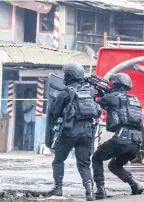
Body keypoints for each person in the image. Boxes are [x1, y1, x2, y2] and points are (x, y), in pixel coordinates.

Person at [48, 63, 101, 201]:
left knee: (58, 160)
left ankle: (58, 188)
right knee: (84, 164)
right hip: (87, 133)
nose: (64, 77)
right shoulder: (90, 92)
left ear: (69, 76)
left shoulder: (65, 93)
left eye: (65, 74)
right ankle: (89, 192)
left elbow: (55, 114)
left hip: (69, 133)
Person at [92, 73, 144, 200]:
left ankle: (100, 190)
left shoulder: (111, 97)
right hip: (136, 143)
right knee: (114, 165)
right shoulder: (134, 99)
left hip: (122, 139)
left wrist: (94, 91)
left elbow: (93, 103)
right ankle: (135, 184)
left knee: (96, 158)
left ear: (115, 84)